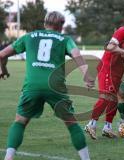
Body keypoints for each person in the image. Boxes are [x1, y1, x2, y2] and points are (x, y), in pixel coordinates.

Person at [0, 11, 94, 160]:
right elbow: (76, 55)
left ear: (45, 23)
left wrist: (3, 69)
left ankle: (8, 157)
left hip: (33, 86)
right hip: (55, 86)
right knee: (71, 123)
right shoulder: (64, 39)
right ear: (61, 26)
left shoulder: (29, 36)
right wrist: (86, 75)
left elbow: (2, 55)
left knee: (20, 121)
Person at [85, 11, 124, 139]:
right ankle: (91, 124)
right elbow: (109, 46)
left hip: (117, 71)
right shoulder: (122, 31)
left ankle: (107, 127)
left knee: (115, 98)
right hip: (108, 69)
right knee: (106, 97)